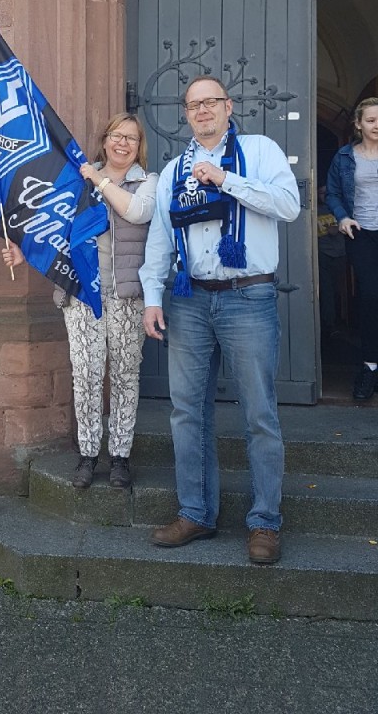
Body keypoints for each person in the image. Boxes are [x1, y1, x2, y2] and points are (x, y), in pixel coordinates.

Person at [140, 76, 300, 565]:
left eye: (210, 101)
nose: (202, 110)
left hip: (248, 296)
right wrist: (152, 296)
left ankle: (265, 523)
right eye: (193, 105)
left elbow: (289, 206)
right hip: (189, 300)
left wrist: (226, 179)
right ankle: (195, 513)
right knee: (188, 410)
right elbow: (161, 237)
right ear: (186, 114)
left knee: (259, 414)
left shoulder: (261, 150)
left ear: (228, 106)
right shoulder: (173, 170)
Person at [2, 113, 158, 489]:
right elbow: (51, 225)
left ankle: (120, 456)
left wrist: (98, 179)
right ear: (104, 140)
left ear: (140, 148)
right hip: (82, 292)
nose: (123, 144)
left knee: (124, 376)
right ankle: (88, 454)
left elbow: (138, 211)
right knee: (86, 376)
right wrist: (24, 252)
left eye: (131, 139)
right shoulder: (76, 180)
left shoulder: (147, 182)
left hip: (126, 295)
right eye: (116, 136)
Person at [325, 97, 378, 401]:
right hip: (362, 234)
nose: (376, 125)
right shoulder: (345, 157)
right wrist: (343, 217)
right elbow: (332, 191)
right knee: (370, 296)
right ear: (359, 124)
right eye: (370, 120)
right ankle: (370, 366)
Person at [316, 183, 347, 340]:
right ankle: (330, 326)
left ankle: (344, 322)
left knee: (340, 291)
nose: (324, 196)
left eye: (327, 193)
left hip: (340, 255)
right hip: (323, 255)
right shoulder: (314, 212)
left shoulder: (340, 210)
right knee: (326, 292)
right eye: (321, 193)